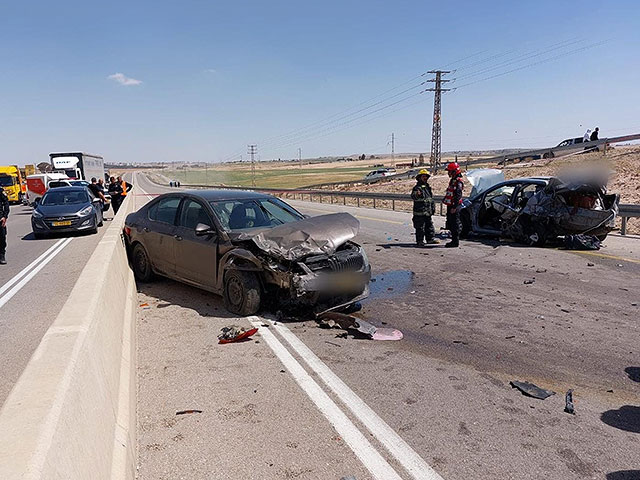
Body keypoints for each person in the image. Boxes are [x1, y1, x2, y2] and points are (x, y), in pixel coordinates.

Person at [410, 169, 438, 246]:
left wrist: (432, 208)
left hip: (427, 211)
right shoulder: (417, 188)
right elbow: (413, 196)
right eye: (423, 176)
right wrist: (417, 194)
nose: (425, 178)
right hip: (419, 212)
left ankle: (430, 239)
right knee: (420, 227)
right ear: (419, 177)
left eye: (426, 176)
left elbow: (430, 199)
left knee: (429, 226)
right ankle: (420, 241)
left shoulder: (427, 187)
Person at [442, 162, 464, 248]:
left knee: (455, 223)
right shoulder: (453, 181)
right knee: (451, 223)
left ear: (454, 172)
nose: (448, 173)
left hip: (454, 206)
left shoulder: (458, 181)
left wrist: (454, 207)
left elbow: (458, 195)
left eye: (450, 171)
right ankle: (453, 240)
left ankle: (455, 241)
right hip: (451, 205)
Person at [0, 186, 9, 264]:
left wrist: (5, 216)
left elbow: (6, 203)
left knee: (2, 238)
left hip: (0, 219)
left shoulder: (0, 190)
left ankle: (2, 255)